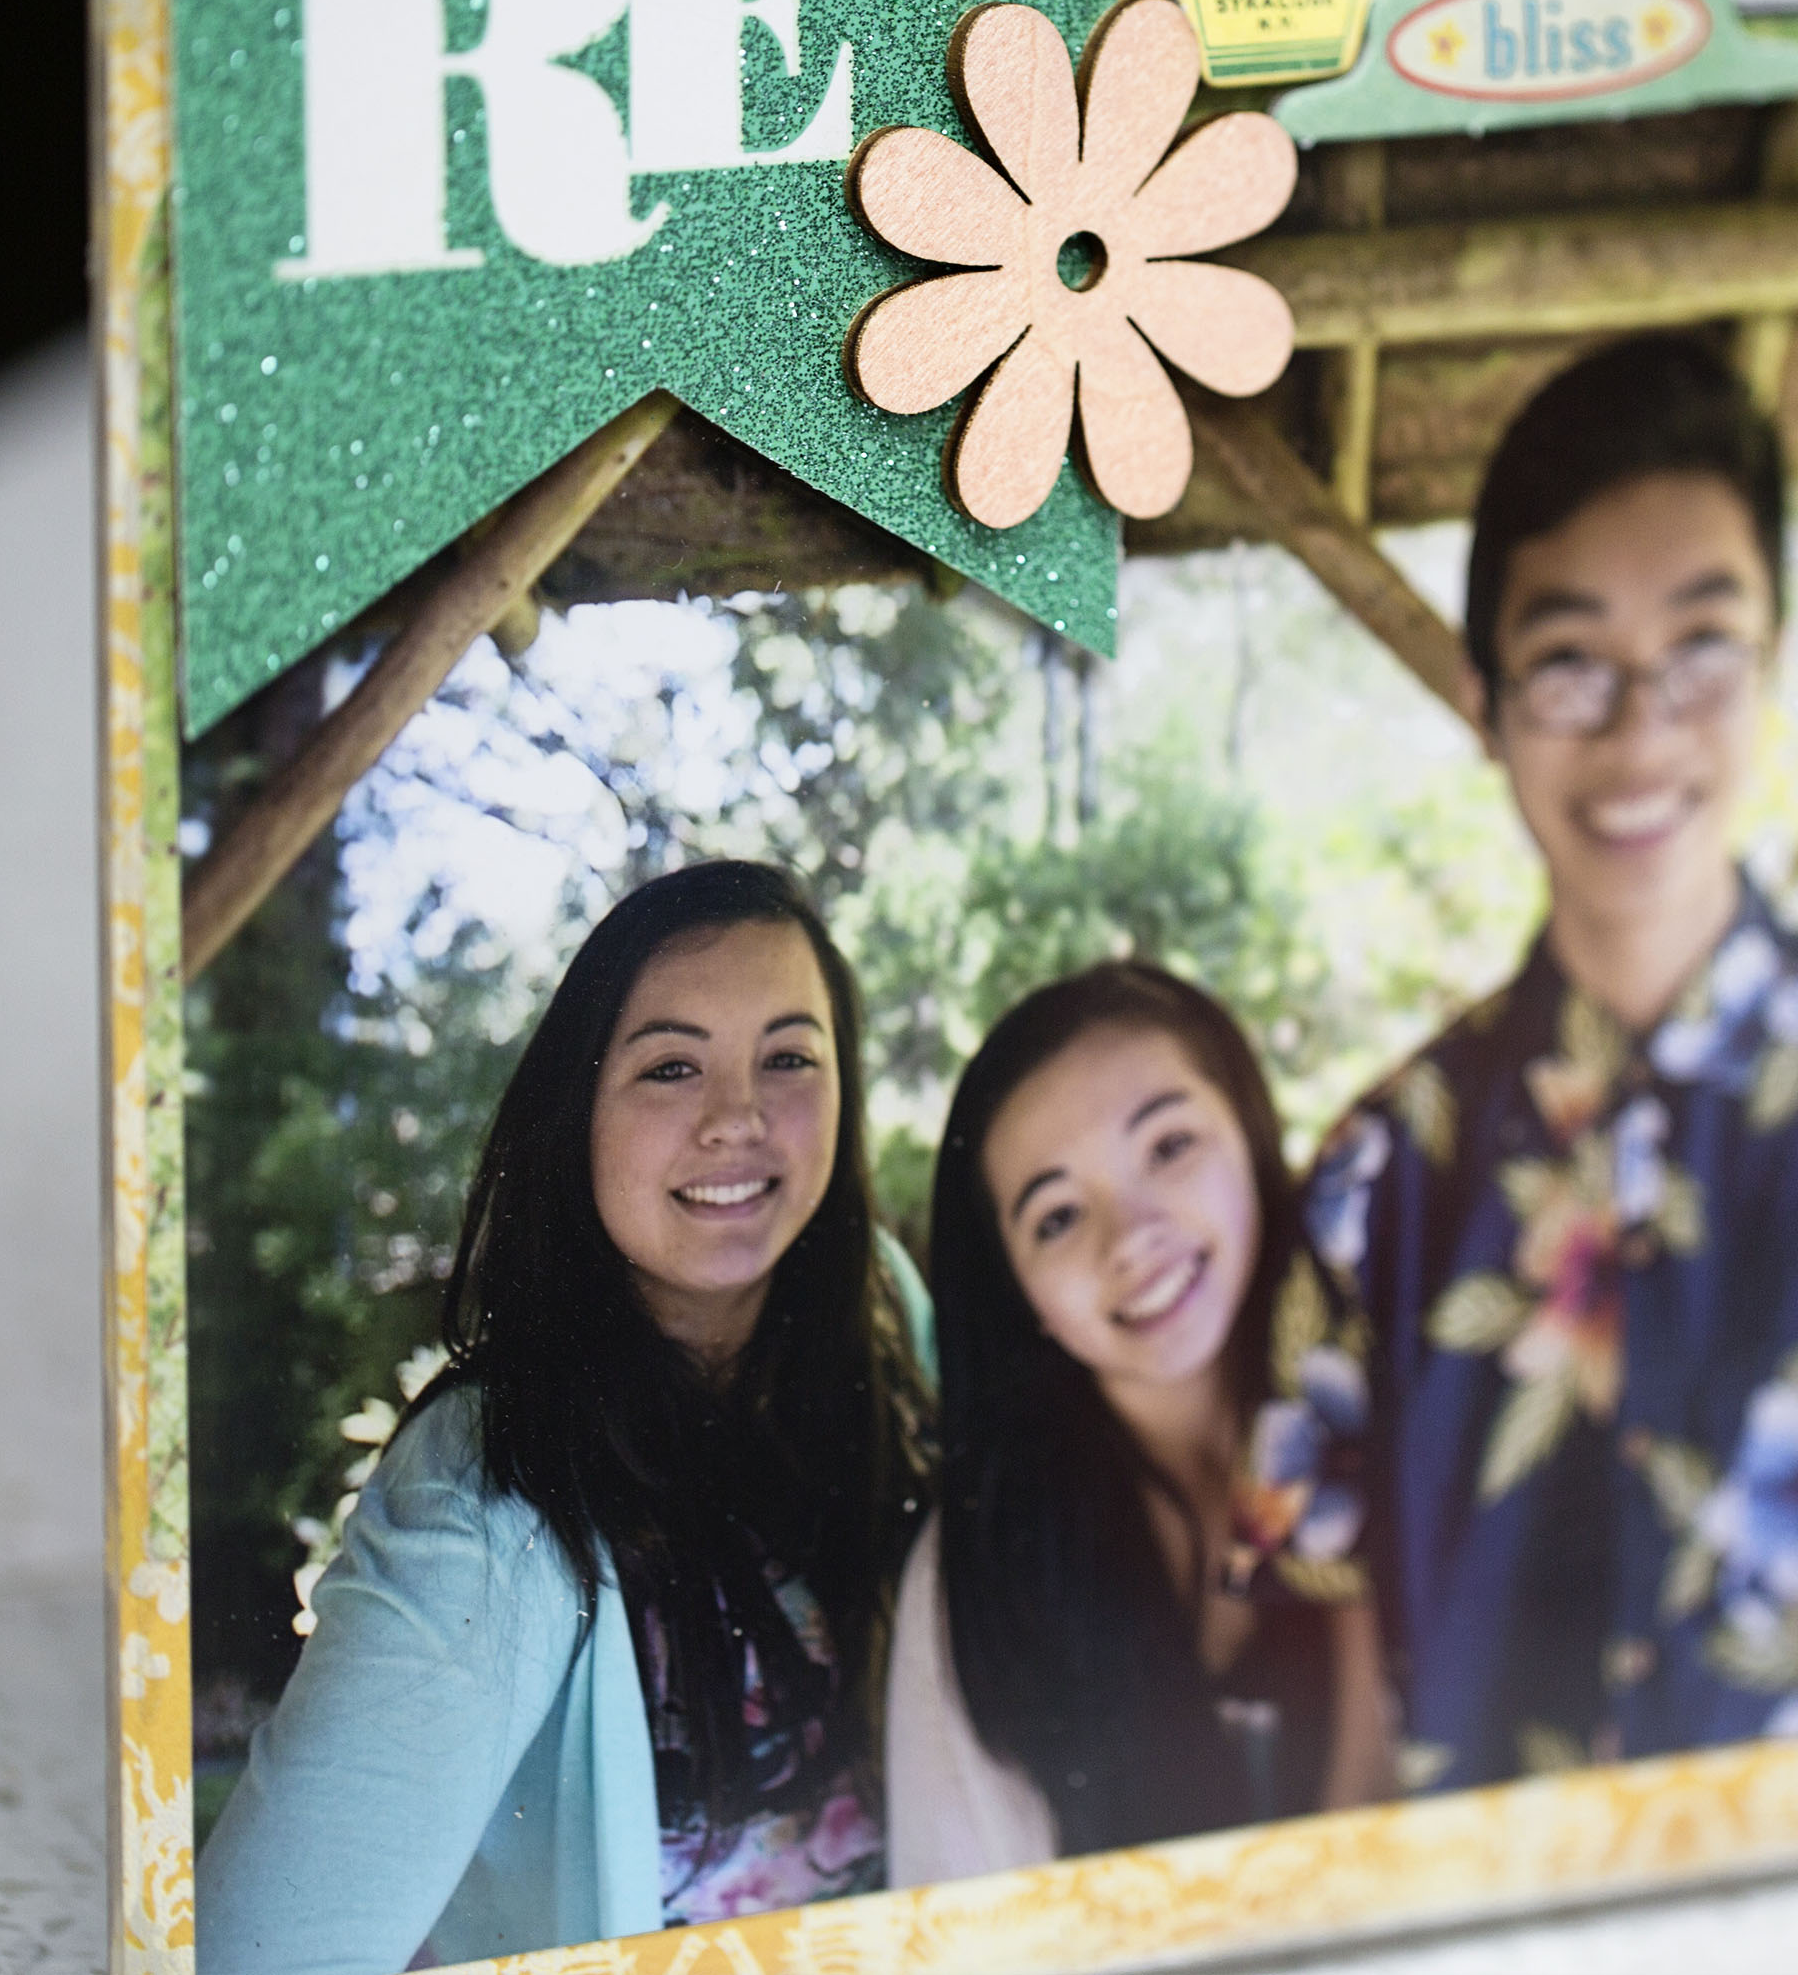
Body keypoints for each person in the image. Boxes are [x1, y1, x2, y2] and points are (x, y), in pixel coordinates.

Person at [194, 861, 934, 1973]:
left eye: (789, 1058)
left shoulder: (881, 1313)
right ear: (575, 1112)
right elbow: (261, 1956)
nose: (739, 1118)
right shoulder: (487, 1486)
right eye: (671, 1067)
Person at [1305, 332, 1793, 1790]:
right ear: (1485, 702)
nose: (1643, 729)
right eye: (1573, 664)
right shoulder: (1377, 1182)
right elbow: (1352, 1735)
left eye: (1702, 651)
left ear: (1772, 660)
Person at [886, 963, 1393, 1882]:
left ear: (1252, 1134)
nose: (1130, 1237)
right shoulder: (973, 1572)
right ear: (1016, 1288)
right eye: (1057, 1217)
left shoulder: (1402, 1412)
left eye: (1168, 1147)